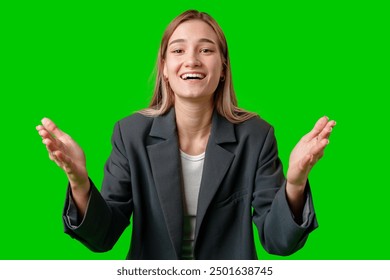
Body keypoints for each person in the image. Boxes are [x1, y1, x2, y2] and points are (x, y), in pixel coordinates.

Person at [36, 10, 336, 260]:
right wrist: (79, 184)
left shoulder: (255, 136)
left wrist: (295, 183)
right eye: (178, 50)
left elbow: (278, 241)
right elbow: (104, 236)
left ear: (222, 69)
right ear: (165, 68)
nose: (191, 60)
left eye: (206, 50)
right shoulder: (130, 134)